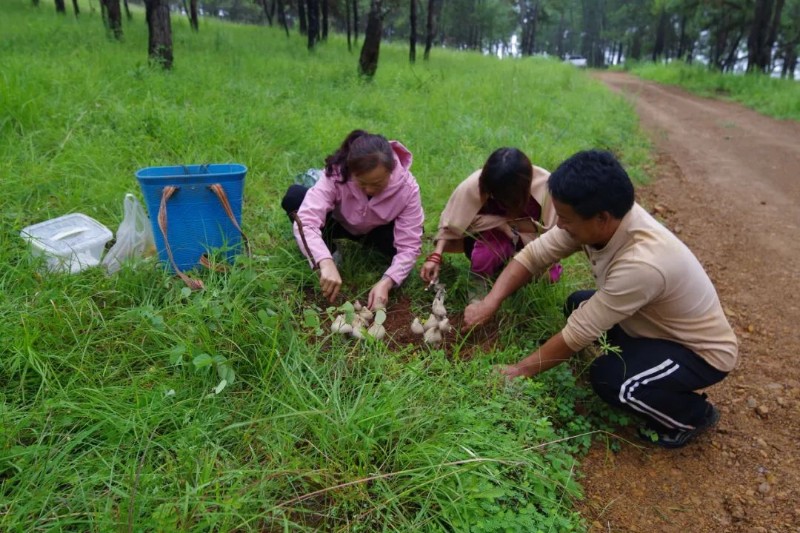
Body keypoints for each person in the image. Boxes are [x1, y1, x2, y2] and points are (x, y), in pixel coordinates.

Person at [464, 150, 738, 448]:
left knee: (613, 382)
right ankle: (641, 365)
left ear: (602, 218)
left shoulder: (643, 262)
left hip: (696, 352)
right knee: (576, 303)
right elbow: (534, 255)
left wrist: (518, 371)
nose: (560, 225)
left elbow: (580, 331)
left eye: (565, 218)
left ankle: (693, 416)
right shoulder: (593, 220)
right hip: (652, 327)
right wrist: (490, 301)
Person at [281, 129, 424, 310]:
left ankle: (384, 263)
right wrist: (324, 260)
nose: (370, 190)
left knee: (412, 237)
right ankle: (331, 251)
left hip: (377, 231)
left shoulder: (408, 189)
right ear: (352, 172)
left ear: (391, 171)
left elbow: (410, 246)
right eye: (362, 183)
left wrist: (387, 282)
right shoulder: (337, 174)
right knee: (295, 197)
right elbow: (307, 221)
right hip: (339, 223)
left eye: (378, 184)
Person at [419, 148, 562, 292]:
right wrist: (435, 257)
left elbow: (556, 234)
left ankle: (508, 273)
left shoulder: (546, 189)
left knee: (547, 276)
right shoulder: (476, 184)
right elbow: (452, 222)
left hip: (530, 241)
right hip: (489, 239)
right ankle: (479, 280)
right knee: (485, 256)